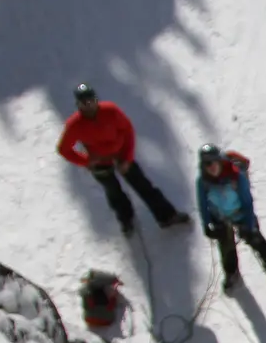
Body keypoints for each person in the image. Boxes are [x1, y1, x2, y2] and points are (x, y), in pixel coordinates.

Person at [55, 83, 190, 237]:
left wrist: (127, 158)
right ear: (78, 105)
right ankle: (126, 220)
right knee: (114, 193)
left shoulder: (110, 111)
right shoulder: (74, 125)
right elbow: (63, 149)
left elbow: (127, 131)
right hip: (100, 163)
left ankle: (167, 216)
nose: (89, 105)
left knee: (143, 186)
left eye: (91, 100)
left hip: (121, 155)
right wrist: (86, 161)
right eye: (84, 103)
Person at [195, 144, 266, 294]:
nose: (211, 167)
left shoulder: (236, 176)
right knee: (226, 247)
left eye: (214, 162)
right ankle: (231, 271)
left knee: (257, 241)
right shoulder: (203, 181)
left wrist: (249, 225)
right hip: (220, 217)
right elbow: (203, 203)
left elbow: (247, 203)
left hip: (241, 214)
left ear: (219, 161)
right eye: (207, 164)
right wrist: (207, 224)